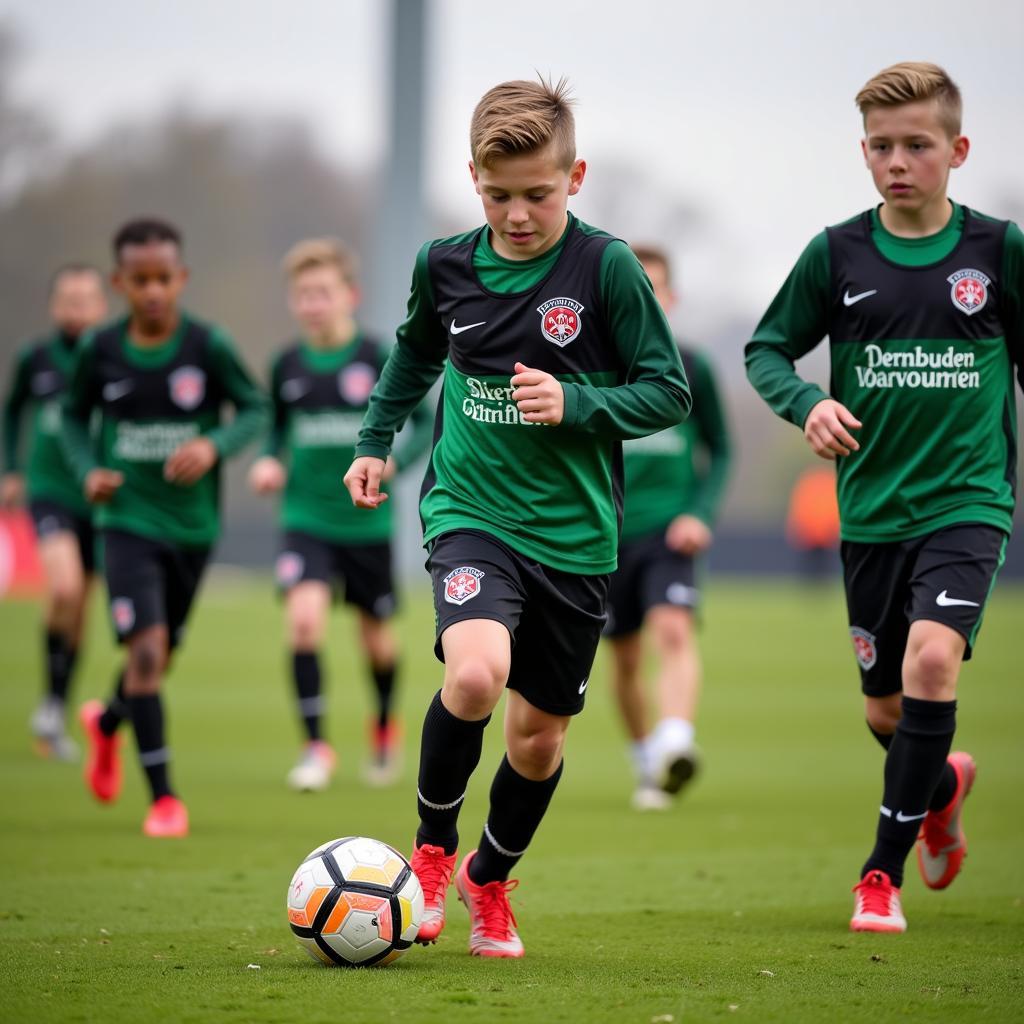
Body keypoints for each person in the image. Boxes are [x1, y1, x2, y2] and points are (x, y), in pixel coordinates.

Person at [344, 77, 691, 958]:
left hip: (575, 537)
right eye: (498, 195)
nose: (519, 213)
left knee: (536, 742)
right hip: (473, 510)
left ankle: (488, 880)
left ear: (575, 177)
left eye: (538, 193)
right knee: (473, 676)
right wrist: (376, 440)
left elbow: (668, 390)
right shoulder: (445, 264)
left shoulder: (606, 267)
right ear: (472, 178)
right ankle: (429, 854)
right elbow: (415, 351)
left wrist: (575, 403)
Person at [745, 62, 1023, 933]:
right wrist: (810, 403)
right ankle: (941, 790)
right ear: (862, 152)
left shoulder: (997, 251)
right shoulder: (838, 253)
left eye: (917, 145)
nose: (898, 161)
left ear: (957, 150)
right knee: (886, 710)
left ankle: (880, 876)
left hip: (968, 500)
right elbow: (765, 353)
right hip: (871, 512)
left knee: (932, 662)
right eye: (881, 146)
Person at [61, 217, 268, 837]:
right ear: (119, 281)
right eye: (139, 280)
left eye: (163, 279)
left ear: (180, 278)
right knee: (146, 650)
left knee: (161, 655)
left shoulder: (208, 346)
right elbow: (72, 418)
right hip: (125, 520)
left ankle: (106, 725)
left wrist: (213, 445)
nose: (152, 291)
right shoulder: (98, 349)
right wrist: (86, 469)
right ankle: (164, 800)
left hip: (194, 528)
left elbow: (255, 407)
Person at [248, 238, 431, 791]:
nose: (312, 303)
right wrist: (266, 461)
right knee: (304, 624)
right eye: (303, 294)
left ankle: (381, 728)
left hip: (366, 521)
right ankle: (316, 747)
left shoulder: (376, 356)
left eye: (323, 292)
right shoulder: (286, 364)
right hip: (306, 517)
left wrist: (395, 461)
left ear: (349, 295)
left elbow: (422, 422)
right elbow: (277, 427)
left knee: (376, 639)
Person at [604, 245, 731, 811]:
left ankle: (676, 740)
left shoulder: (693, 367)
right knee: (625, 659)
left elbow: (722, 450)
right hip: (603, 533)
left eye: (655, 289)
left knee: (673, 631)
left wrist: (698, 513)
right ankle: (646, 761)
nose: (646, 300)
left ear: (671, 298)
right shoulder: (594, 366)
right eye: (636, 290)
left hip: (668, 532)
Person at [2, 264, 108, 759]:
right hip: (49, 489)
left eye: (86, 300)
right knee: (62, 586)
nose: (76, 309)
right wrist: (11, 468)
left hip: (99, 495)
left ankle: (55, 706)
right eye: (67, 300)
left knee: (81, 608)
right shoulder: (36, 358)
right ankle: (49, 703)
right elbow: (11, 410)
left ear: (102, 306)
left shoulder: (112, 356)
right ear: (53, 305)